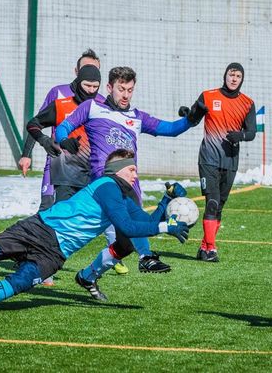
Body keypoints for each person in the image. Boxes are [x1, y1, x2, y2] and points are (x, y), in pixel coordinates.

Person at [0, 149, 189, 311]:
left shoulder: (124, 197)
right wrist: (166, 225)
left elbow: (145, 224)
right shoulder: (107, 187)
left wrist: (167, 200)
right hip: (39, 229)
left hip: (56, 252)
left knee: (18, 284)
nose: (136, 175)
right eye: (132, 170)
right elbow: (129, 226)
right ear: (116, 170)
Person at [56, 66, 196, 277]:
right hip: (105, 183)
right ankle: (145, 257)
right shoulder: (92, 107)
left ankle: (87, 276)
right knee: (123, 230)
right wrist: (64, 141)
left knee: (126, 243)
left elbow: (171, 129)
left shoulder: (137, 117)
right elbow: (63, 128)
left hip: (129, 184)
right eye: (121, 89)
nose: (125, 95)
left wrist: (193, 118)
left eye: (130, 90)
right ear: (109, 87)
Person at [179, 62, 256, 262]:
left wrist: (240, 135)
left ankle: (204, 247)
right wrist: (192, 111)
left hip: (230, 161)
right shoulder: (208, 95)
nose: (233, 79)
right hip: (209, 159)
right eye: (231, 75)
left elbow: (252, 133)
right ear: (225, 76)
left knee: (219, 206)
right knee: (212, 202)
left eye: (238, 76)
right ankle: (211, 249)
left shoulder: (248, 103)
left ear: (242, 79)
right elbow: (194, 119)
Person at [18, 48, 104, 210]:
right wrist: (26, 155)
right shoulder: (58, 93)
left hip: (87, 169)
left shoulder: (101, 101)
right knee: (48, 208)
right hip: (57, 164)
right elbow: (37, 122)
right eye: (86, 68)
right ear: (77, 72)